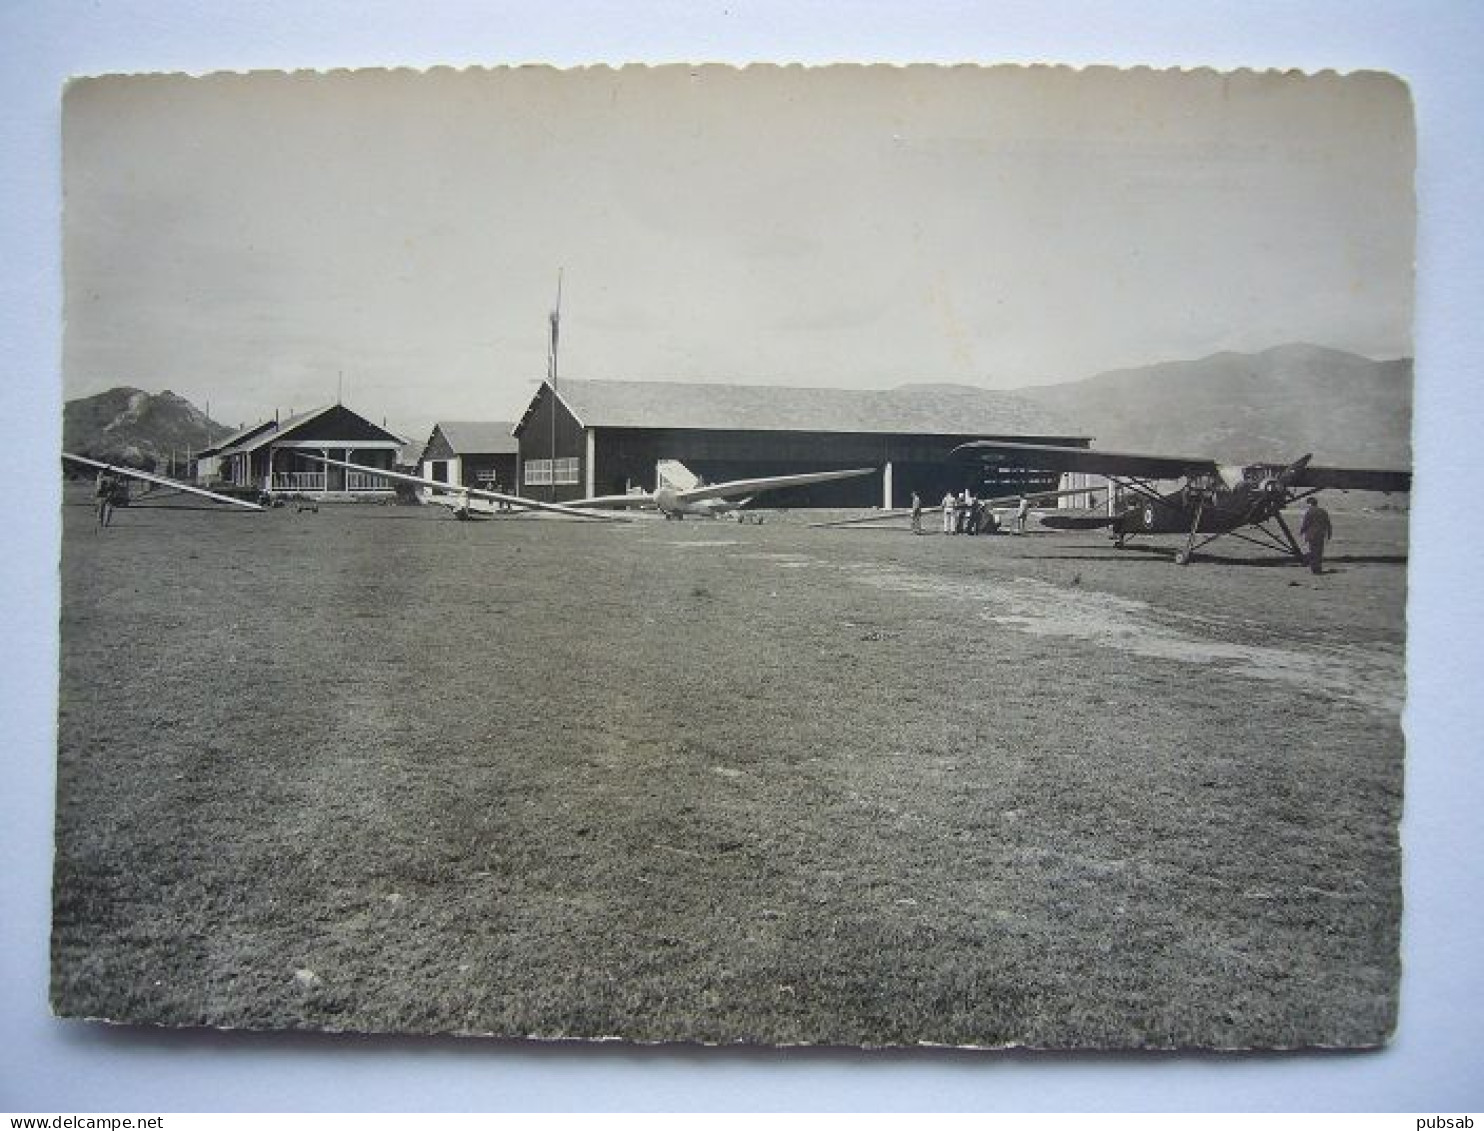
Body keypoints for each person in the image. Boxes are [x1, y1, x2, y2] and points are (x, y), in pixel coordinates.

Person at [1299, 496, 1333, 575]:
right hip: (1321, 534)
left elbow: (1306, 523)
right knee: (1319, 552)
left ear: (1309, 503)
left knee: (1313, 551)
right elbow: (1328, 524)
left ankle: (1314, 569)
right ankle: (1318, 568)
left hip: (1311, 535)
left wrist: (1301, 532)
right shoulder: (1323, 511)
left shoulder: (1309, 512)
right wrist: (1329, 534)